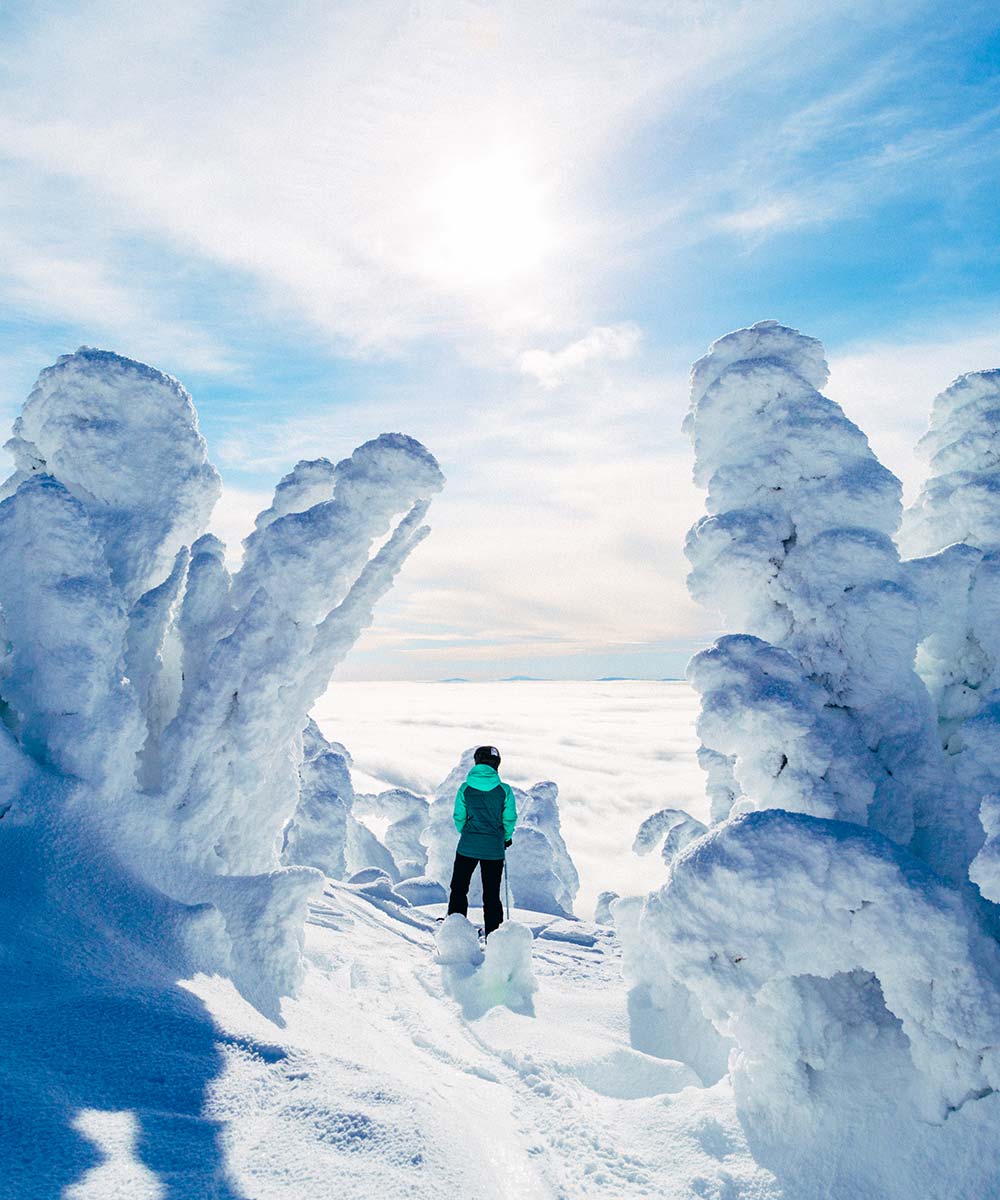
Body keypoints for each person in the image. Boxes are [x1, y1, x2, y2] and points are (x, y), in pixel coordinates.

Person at [448, 745, 517, 936]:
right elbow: (509, 818)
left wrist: (469, 833)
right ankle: (494, 936)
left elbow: (458, 816)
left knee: (459, 888)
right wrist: (505, 838)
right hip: (494, 849)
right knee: (492, 895)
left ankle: (455, 932)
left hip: (467, 847)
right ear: (497, 764)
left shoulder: (465, 788)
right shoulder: (504, 790)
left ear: (477, 762)